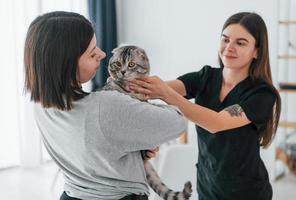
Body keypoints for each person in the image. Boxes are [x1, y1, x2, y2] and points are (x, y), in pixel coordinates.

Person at [24, 11, 187, 200]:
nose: (102, 54)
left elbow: (95, 150)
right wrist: (164, 92)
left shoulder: (40, 104)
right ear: (66, 64)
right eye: (92, 53)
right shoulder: (106, 106)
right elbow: (178, 122)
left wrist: (134, 147)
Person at [129, 12, 281, 200]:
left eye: (240, 43)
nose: (229, 48)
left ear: (257, 51)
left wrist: (166, 94)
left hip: (246, 192)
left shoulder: (262, 94)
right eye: (225, 40)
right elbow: (156, 88)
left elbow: (216, 123)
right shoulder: (206, 77)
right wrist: (128, 87)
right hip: (207, 187)